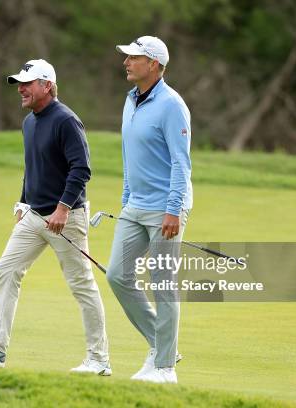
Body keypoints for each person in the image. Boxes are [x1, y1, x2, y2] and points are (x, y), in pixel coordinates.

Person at [0, 59, 110, 375]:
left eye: (28, 83)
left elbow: (81, 170)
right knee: (6, 269)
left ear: (47, 86)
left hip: (67, 218)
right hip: (34, 216)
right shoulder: (30, 122)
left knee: (81, 285)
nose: (21, 89)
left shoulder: (66, 121)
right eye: (19, 84)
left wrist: (63, 209)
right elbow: (34, 168)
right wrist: (23, 201)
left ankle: (99, 360)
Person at [107, 36, 193, 384]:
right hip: (136, 206)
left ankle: (165, 369)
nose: (126, 62)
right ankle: (162, 347)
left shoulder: (172, 105)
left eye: (134, 58)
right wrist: (127, 197)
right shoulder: (131, 100)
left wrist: (173, 210)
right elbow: (130, 156)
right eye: (126, 57)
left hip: (165, 211)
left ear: (154, 64)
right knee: (117, 275)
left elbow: (180, 162)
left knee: (162, 284)